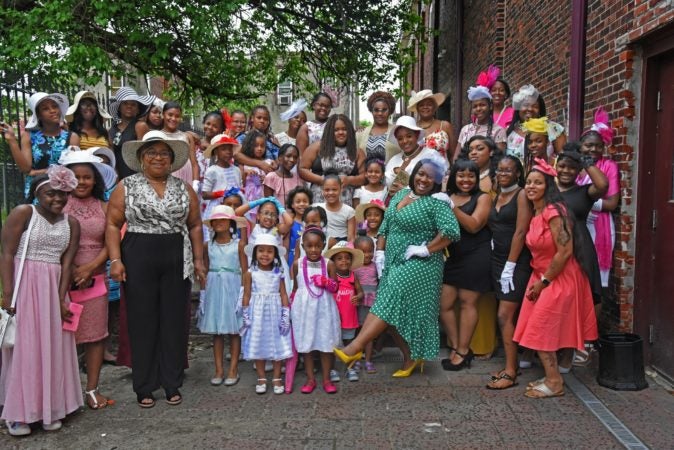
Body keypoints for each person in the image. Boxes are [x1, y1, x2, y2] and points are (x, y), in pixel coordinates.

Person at [334, 156, 460, 377]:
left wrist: (426, 249)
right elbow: (386, 225)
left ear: (437, 181)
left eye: (430, 177)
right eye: (421, 174)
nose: (424, 179)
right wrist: (380, 253)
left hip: (420, 264)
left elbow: (451, 232)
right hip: (392, 261)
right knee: (390, 313)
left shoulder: (436, 202)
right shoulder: (402, 194)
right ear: (414, 175)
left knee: (387, 302)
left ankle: (355, 348)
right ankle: (410, 357)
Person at [106, 130, 205, 408]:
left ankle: (172, 381)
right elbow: (112, 225)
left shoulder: (183, 188)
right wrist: (115, 260)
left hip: (176, 254)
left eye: (164, 153)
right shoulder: (126, 186)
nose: (158, 157)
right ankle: (144, 385)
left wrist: (198, 260)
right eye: (152, 152)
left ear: (172, 160)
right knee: (142, 321)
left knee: (174, 320)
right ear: (141, 158)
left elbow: (195, 224)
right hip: (138, 254)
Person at [0, 167, 82, 436]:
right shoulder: (24, 213)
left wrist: (61, 299)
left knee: (52, 346)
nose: (57, 199)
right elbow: (7, 253)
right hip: (26, 286)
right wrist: (8, 294)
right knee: (26, 347)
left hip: (54, 287)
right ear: (37, 193)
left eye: (63, 194)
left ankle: (50, 407)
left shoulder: (71, 223)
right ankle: (19, 413)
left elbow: (67, 264)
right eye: (50, 193)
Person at [514, 158, 598, 398]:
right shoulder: (536, 211)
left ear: (547, 185)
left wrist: (544, 282)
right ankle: (552, 377)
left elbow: (565, 251)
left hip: (558, 277)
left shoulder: (554, 211)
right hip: (541, 275)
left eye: (537, 182)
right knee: (538, 330)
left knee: (541, 330)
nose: (531, 186)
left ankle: (554, 382)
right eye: (528, 182)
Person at [60, 149, 117, 409]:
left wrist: (92, 267)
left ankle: (92, 390)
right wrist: (71, 271)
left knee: (95, 336)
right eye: (76, 177)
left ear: (95, 180)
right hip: (63, 281)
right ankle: (64, 393)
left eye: (87, 177)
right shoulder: (57, 205)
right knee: (63, 337)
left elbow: (111, 241)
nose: (82, 182)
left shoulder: (104, 207)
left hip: (95, 279)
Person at [440, 160, 492, 371]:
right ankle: (456, 346)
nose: (466, 180)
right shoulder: (446, 197)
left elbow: (473, 225)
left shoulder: (483, 198)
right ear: (454, 177)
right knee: (444, 304)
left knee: (467, 302)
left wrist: (451, 207)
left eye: (471, 176)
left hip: (477, 254)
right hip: (452, 256)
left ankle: (462, 351)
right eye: (461, 175)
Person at [485, 155, 532, 389]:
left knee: (505, 315)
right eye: (500, 170)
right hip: (497, 259)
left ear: (517, 173)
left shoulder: (521, 194)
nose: (503, 174)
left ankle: (511, 371)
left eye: (508, 171)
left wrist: (510, 266)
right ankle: (511, 363)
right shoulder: (498, 194)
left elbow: (521, 232)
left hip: (515, 262)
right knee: (506, 315)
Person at [198, 205, 247, 386]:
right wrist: (203, 293)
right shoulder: (207, 245)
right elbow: (204, 268)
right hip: (214, 288)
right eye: (215, 220)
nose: (218, 223)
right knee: (217, 332)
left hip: (233, 287)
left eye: (222, 219)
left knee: (234, 331)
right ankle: (218, 369)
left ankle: (233, 368)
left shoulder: (239, 245)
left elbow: (244, 270)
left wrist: (243, 293)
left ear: (231, 222)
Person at [291, 226, 342, 394]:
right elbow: (297, 288)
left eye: (318, 246)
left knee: (325, 342)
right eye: (309, 246)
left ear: (323, 245)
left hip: (324, 309)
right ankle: (310, 379)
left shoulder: (329, 264)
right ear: (303, 246)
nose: (313, 250)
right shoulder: (297, 264)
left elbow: (335, 287)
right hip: (304, 310)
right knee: (307, 344)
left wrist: (326, 282)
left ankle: (326, 379)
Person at [241, 234, 293, 395]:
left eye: (269, 251)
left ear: (275, 255)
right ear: (255, 253)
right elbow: (247, 294)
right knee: (259, 342)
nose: (265, 255)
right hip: (257, 313)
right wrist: (245, 313)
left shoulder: (279, 273)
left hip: (275, 311)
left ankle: (277, 377)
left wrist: (285, 313)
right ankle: (261, 377)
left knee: (277, 342)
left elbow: (283, 294)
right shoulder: (250, 273)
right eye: (261, 251)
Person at [5, 92, 80, 198]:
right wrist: (11, 140)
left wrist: (38, 172)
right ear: (38, 115)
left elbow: (73, 169)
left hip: (63, 193)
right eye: (45, 109)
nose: (52, 110)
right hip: (37, 191)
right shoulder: (29, 136)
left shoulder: (72, 137)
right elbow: (26, 169)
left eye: (54, 106)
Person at [578, 107, 620, 289]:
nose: (593, 149)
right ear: (581, 146)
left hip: (598, 226)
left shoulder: (609, 166)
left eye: (598, 145)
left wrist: (582, 201)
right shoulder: (572, 166)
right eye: (589, 145)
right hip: (576, 224)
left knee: (594, 284)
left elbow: (611, 204)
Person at [299, 114, 366, 206]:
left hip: (346, 203)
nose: (341, 132)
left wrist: (350, 180)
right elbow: (302, 169)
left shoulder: (357, 152)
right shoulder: (317, 147)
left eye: (344, 129)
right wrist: (321, 180)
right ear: (330, 131)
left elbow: (365, 176)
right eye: (336, 130)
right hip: (319, 201)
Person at [325, 241, 365, 382]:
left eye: (347, 258)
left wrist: (358, 297)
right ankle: (332, 369)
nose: (344, 261)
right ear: (333, 261)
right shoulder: (332, 276)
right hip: (334, 319)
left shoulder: (353, 276)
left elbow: (361, 292)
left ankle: (350, 368)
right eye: (339, 258)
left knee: (349, 342)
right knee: (333, 345)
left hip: (349, 318)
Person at [506, 85, 566, 161]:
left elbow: (565, 159)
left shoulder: (553, 128)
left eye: (535, 106)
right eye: (526, 105)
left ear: (540, 109)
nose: (530, 109)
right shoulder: (508, 133)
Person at [108, 86, 157, 179]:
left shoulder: (140, 126)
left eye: (133, 104)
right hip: (117, 176)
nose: (129, 106)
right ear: (119, 107)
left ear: (138, 109)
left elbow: (144, 154)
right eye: (125, 103)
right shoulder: (111, 129)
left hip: (136, 175)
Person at [384, 115, 435, 200]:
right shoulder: (393, 160)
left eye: (409, 136)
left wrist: (406, 192)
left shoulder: (431, 156)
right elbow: (387, 187)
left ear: (416, 135)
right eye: (400, 138)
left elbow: (436, 186)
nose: (405, 141)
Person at [201, 133, 243, 229]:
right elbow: (205, 194)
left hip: (235, 207)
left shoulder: (236, 170)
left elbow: (240, 188)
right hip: (218, 208)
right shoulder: (212, 170)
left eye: (230, 149)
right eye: (224, 149)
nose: (228, 152)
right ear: (216, 152)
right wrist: (222, 193)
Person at [454, 86, 507, 160]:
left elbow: (499, 160)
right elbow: (456, 157)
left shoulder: (498, 131)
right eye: (475, 106)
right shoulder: (465, 129)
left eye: (482, 105)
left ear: (490, 106)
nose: (478, 109)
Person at [353, 235, 379, 373]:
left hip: (372, 304)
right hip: (358, 304)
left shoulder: (376, 266)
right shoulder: (354, 268)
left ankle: (368, 360)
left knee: (369, 333)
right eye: (363, 252)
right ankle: (356, 360)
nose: (367, 254)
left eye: (370, 251)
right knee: (357, 332)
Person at [161, 101, 200, 185]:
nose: (173, 118)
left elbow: (194, 164)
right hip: (166, 178)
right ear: (163, 114)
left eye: (177, 116)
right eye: (170, 115)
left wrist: (195, 183)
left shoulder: (187, 137)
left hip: (187, 176)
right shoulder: (158, 136)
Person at [407, 89, 455, 157]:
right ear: (417, 109)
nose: (425, 107)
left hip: (444, 167)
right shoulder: (412, 127)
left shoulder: (445, 126)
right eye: (421, 105)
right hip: (417, 167)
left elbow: (454, 154)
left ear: (435, 107)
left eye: (429, 104)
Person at [356, 91, 401, 162]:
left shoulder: (397, 131)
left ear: (390, 110)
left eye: (384, 110)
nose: (380, 113)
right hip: (366, 173)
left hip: (391, 172)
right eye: (376, 110)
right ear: (371, 111)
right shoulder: (361, 134)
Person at [314, 174, 356, 248]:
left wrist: (347, 250)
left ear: (341, 189)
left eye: (334, 189)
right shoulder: (317, 208)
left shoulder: (349, 211)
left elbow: (351, 238)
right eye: (327, 190)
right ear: (322, 190)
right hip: (322, 245)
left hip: (342, 246)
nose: (330, 193)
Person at [234, 105, 280, 173]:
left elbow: (280, 159)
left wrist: (276, 164)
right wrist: (260, 163)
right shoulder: (243, 137)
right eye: (259, 117)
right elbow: (236, 154)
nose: (262, 121)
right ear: (252, 118)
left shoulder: (271, 140)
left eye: (265, 119)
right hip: (249, 178)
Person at [475, 65, 514, 129]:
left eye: (501, 90)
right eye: (493, 90)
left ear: (506, 94)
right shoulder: (482, 113)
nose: (497, 93)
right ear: (489, 93)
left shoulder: (513, 113)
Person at [284, 186, 312, 266]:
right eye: (298, 202)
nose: (302, 204)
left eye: (305, 201)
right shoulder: (290, 223)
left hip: (309, 260)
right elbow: (286, 247)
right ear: (292, 204)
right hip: (292, 261)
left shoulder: (313, 223)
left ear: (310, 203)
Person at [196, 110, 226, 184]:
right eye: (208, 123)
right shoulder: (196, 143)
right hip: (196, 184)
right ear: (204, 123)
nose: (210, 127)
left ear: (221, 130)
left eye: (215, 126)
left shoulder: (221, 148)